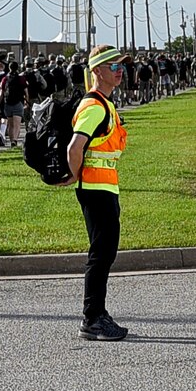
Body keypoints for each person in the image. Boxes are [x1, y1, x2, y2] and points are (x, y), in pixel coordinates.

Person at [69, 45, 129, 343]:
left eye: (121, 67)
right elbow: (75, 147)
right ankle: (92, 318)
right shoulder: (94, 107)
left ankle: (98, 314)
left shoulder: (105, 103)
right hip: (95, 190)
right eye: (114, 67)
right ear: (97, 72)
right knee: (101, 253)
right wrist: (73, 175)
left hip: (104, 188)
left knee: (105, 253)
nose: (120, 72)